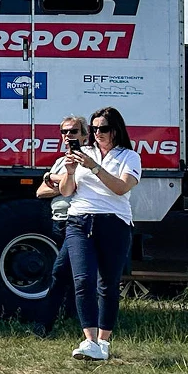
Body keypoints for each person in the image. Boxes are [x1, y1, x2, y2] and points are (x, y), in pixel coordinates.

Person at [58, 106, 141, 361]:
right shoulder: (84, 153)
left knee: (108, 284)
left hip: (114, 222)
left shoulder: (129, 157)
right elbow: (65, 191)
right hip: (79, 220)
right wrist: (70, 172)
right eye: (93, 129)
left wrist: (94, 168)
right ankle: (89, 340)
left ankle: (103, 342)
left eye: (102, 129)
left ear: (116, 130)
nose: (97, 133)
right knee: (82, 280)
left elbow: (121, 188)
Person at [32, 115, 87, 337]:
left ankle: (44, 324)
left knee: (64, 273)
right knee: (68, 274)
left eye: (73, 132)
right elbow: (40, 191)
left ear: (85, 135)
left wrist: (53, 179)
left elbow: (74, 187)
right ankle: (76, 319)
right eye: (64, 132)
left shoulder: (87, 158)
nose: (68, 136)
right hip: (58, 222)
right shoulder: (61, 160)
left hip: (78, 221)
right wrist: (60, 181)